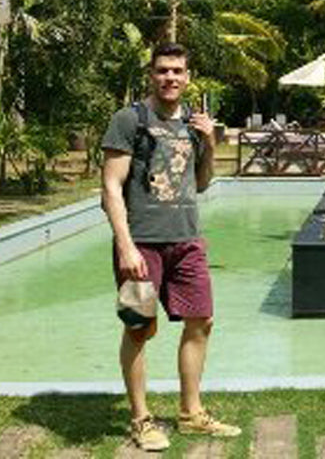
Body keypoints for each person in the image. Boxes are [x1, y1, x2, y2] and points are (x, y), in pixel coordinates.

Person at [101, 42, 240, 451]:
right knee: (139, 327)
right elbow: (111, 187)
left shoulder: (192, 124)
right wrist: (126, 246)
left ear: (187, 77)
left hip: (186, 240)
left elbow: (201, 183)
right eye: (163, 70)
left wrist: (209, 143)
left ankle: (191, 414)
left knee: (202, 321)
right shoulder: (129, 119)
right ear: (151, 74)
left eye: (177, 71)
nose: (170, 77)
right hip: (142, 243)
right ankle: (141, 420)